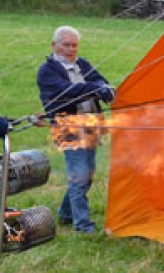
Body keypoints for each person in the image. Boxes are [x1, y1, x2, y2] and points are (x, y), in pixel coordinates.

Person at [37, 26, 115, 235]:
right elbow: (66, 91)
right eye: (66, 45)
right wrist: (95, 88)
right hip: (68, 127)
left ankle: (66, 212)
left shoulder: (82, 64)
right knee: (79, 176)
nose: (71, 49)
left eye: (74, 45)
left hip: (91, 125)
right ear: (54, 45)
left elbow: (99, 79)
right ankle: (82, 225)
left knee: (87, 176)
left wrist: (104, 89)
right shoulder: (47, 71)